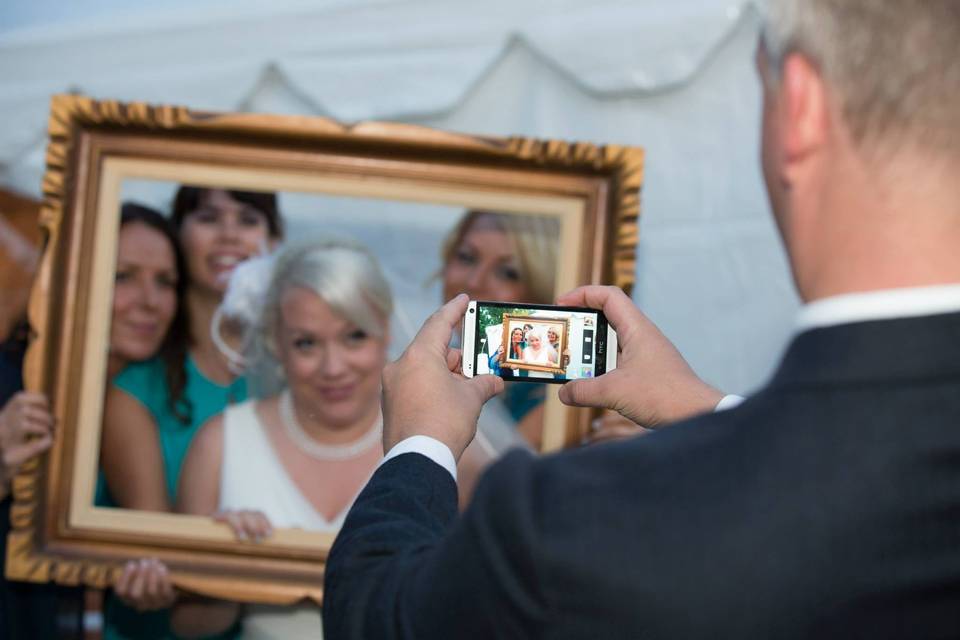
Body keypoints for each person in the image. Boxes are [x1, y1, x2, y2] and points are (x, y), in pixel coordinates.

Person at [324, 1, 960, 637]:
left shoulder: (580, 518)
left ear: (799, 108)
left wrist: (419, 443)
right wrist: (704, 407)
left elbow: (379, 617)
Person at [170, 239, 392, 639]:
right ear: (277, 346)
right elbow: (189, 626)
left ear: (387, 332)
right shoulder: (219, 445)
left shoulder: (438, 449)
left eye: (355, 336)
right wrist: (227, 571)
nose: (333, 367)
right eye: (306, 343)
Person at [100, 190, 282, 640]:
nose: (229, 234)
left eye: (248, 218)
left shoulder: (300, 374)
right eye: (208, 217)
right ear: (177, 236)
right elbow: (164, 562)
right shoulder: (133, 389)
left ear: (274, 243)